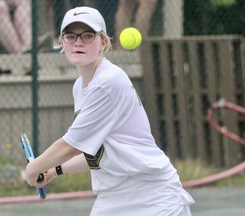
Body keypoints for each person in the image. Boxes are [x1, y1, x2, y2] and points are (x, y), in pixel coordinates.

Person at [25, 6, 195, 215]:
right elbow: (100, 152)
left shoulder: (107, 83)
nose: (78, 42)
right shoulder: (80, 86)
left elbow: (70, 145)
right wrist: (53, 170)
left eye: (87, 35)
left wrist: (32, 170)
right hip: (114, 197)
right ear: (62, 43)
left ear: (103, 42)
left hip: (153, 196)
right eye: (70, 36)